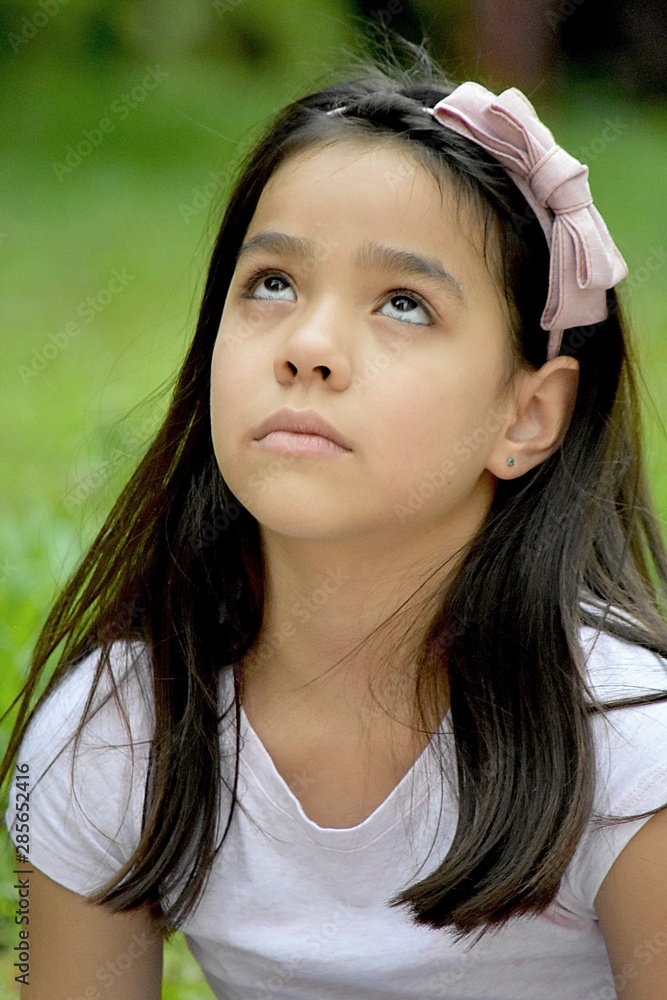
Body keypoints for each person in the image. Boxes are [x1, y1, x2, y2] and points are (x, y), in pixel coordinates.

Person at [3, 43, 667, 1000]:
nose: (307, 346)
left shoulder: (630, 754)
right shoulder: (113, 737)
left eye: (403, 304)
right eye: (272, 283)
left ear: (526, 417)